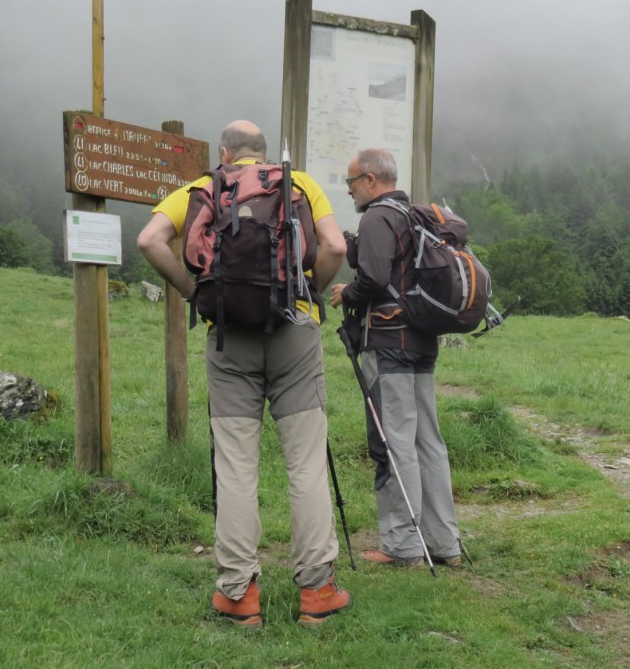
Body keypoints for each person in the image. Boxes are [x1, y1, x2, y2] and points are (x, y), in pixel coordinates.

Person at [137, 120, 351, 628]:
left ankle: (238, 594)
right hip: (295, 335)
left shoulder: (200, 189)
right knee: (305, 464)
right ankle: (317, 590)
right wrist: (309, 295)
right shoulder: (298, 183)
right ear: (264, 152)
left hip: (229, 334)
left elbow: (150, 240)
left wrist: (195, 295)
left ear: (225, 152)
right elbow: (337, 248)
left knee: (236, 466)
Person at [330, 148, 462, 569]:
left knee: (394, 439)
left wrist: (345, 294)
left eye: (351, 182)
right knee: (429, 441)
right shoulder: (415, 215)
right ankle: (444, 542)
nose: (349, 190)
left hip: (389, 342)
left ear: (370, 180)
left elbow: (372, 278)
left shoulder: (376, 217)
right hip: (423, 340)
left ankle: (402, 545)